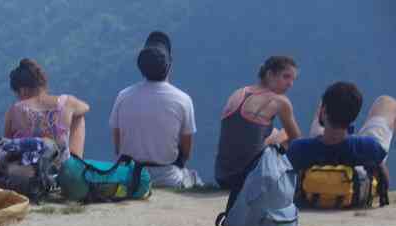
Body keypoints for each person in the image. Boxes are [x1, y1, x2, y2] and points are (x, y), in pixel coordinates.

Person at [108, 31, 203, 189]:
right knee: (194, 178)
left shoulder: (123, 96)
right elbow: (186, 152)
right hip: (168, 177)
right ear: (169, 64)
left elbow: (118, 147)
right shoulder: (183, 100)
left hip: (129, 175)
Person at [214, 56, 302, 190]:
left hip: (223, 176)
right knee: (285, 135)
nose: (290, 84)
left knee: (273, 132)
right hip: (248, 179)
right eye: (286, 77)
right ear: (270, 74)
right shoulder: (280, 101)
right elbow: (297, 140)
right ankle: (294, 186)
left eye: (293, 79)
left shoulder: (238, 92)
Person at [287, 82, 394, 185]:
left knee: (318, 128)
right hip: (354, 185)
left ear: (324, 113)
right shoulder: (368, 147)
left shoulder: (298, 148)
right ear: (353, 117)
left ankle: (325, 111)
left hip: (315, 187)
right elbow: (383, 179)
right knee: (386, 102)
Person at [3, 58, 89, 162]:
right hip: (59, 166)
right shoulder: (66, 102)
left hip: (26, 168)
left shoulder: (14, 111)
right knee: (78, 117)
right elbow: (86, 107)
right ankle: (76, 162)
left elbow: (6, 145)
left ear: (23, 90)